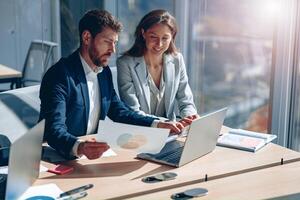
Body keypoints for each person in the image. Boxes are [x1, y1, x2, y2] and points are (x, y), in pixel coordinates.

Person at [39, 9, 184, 160]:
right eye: (107, 42)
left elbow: (119, 111)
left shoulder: (103, 72)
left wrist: (157, 124)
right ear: (87, 37)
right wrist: (80, 147)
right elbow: (53, 130)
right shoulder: (59, 75)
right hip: (57, 157)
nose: (113, 50)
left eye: (114, 43)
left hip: (87, 157)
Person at [117, 9, 199, 126]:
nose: (159, 44)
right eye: (153, 37)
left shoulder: (177, 60)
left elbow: (186, 102)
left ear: (172, 37)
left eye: (165, 38)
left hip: (171, 132)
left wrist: (189, 117)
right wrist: (163, 123)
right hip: (141, 131)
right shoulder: (125, 63)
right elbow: (133, 111)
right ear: (143, 33)